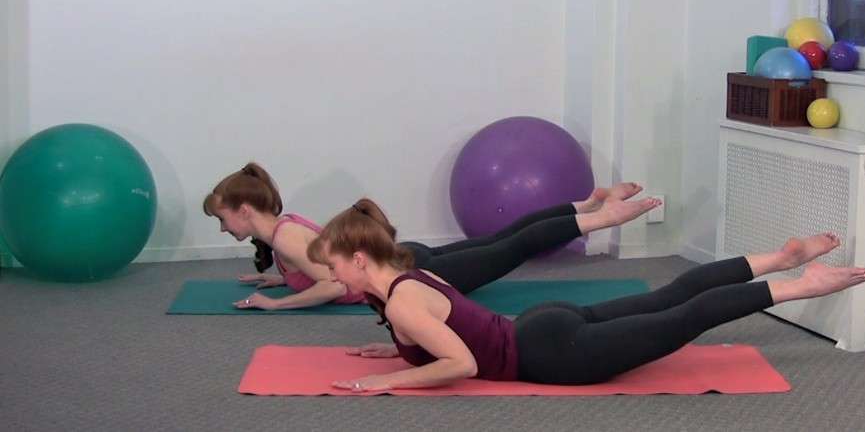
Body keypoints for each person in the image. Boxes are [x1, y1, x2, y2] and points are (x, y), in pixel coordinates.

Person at [309, 198, 865, 391]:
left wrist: (387, 380)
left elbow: (462, 362)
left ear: (359, 258)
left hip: (553, 354)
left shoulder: (400, 302)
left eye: (333, 267)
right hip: (543, 324)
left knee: (682, 319)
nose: (332, 278)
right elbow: (449, 327)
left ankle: (798, 284)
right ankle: (780, 259)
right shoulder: (406, 276)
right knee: (673, 295)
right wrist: (402, 347)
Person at [204, 162, 653, 310]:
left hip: (415, 275)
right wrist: (281, 278)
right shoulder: (285, 229)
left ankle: (601, 217)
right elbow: (316, 266)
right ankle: (587, 204)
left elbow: (334, 284)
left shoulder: (284, 239)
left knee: (512, 245)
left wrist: (276, 305)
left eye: (224, 220)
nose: (224, 229)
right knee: (507, 239)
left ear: (245, 211)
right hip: (410, 259)